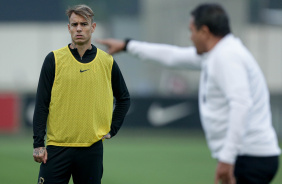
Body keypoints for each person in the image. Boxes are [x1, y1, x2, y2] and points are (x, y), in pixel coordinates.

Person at [98, 3, 281, 184]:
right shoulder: (218, 54)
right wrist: (127, 45)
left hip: (250, 157)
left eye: (192, 30)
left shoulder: (227, 57)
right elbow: (173, 56)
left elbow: (241, 105)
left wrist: (227, 158)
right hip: (249, 156)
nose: (190, 37)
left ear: (205, 32)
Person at [32, 4, 130, 184]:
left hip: (91, 149)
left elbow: (124, 98)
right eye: (74, 24)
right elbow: (41, 104)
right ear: (68, 28)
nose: (79, 28)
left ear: (92, 28)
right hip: (57, 148)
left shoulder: (107, 62)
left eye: (84, 24)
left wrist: (112, 128)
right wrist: (38, 143)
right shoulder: (53, 59)